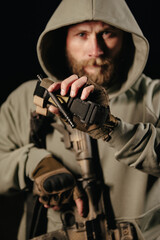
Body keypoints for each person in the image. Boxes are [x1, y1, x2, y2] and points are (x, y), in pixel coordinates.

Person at [0, 0, 160, 239]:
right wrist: (34, 164)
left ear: (126, 38)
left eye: (107, 33)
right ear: (62, 40)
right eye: (82, 34)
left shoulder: (155, 97)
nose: (95, 49)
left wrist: (110, 128)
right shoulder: (25, 99)